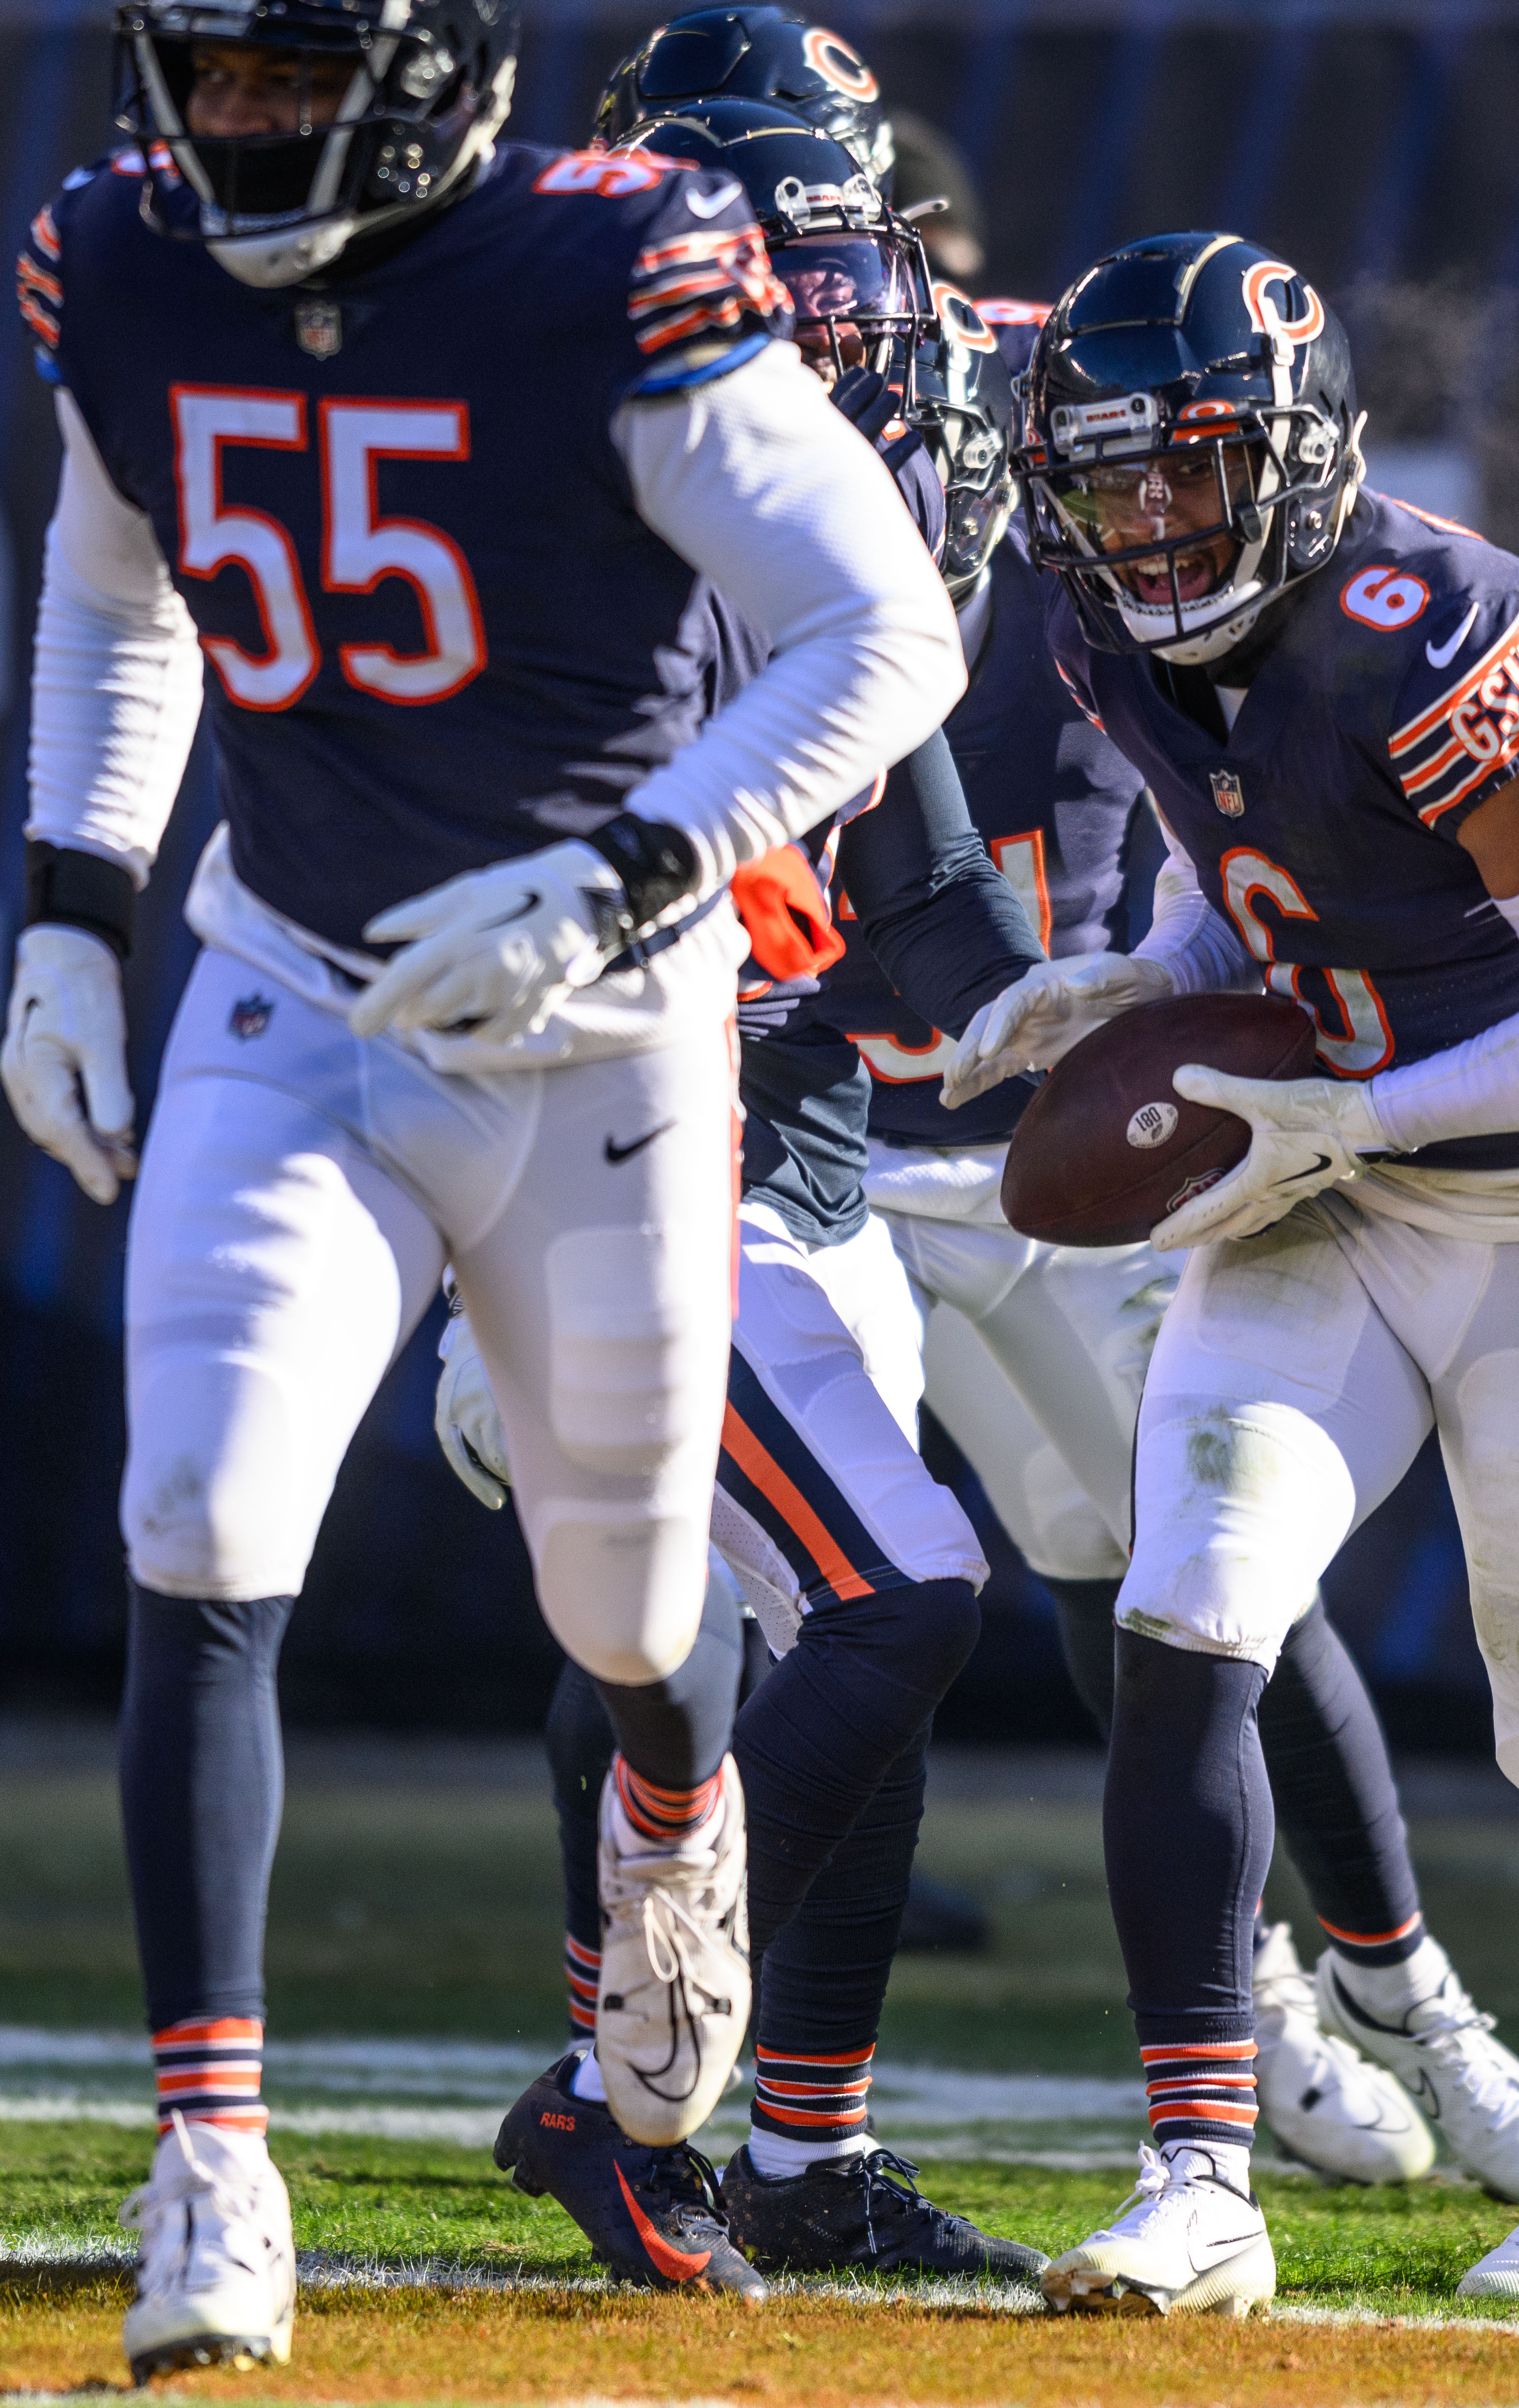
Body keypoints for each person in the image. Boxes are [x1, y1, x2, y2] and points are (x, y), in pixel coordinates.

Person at [0, 1, 960, 2373]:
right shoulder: (121, 267)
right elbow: (115, 588)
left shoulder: (602, 274)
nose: (226, 122)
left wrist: (640, 868)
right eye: (198, 73)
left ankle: (671, 1820)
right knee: (201, 1513)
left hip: (604, 1029)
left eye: (277, 76)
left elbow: (890, 632)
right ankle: (212, 2163)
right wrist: (61, 915)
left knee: (633, 1599)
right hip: (297, 983)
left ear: (422, 77)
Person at [938, 231, 1519, 2310]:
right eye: (1105, 485)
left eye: (1187, 474)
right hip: (1336, 1178)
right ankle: (1199, 2173)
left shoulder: (1426, 634)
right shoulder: (1105, 635)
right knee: (1183, 1609)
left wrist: (1363, 1113)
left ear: (1296, 461)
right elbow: (1280, 884)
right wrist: (1156, 979)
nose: (1142, 523)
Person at [824, 289, 1519, 2208]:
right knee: (792, 1606)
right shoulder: (677, 478)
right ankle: (691, 2078)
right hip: (813, 1149)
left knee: (1194, 1576)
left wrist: (1160, 1003)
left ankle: (1404, 1999)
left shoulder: (1099, 524)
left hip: (1075, 1139)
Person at [439, 92, 1047, 2291]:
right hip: (591, 1158)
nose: (822, 334)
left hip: (796, 1177)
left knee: (843, 1644)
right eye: (766, 290)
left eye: (835, 280)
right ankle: (616, 2081)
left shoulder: (837, 532)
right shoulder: (552, 527)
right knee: (864, 1596)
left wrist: (1092, 1021)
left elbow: (936, 899)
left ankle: (798, 2148)